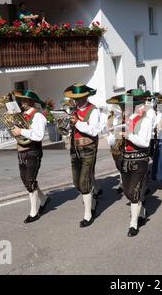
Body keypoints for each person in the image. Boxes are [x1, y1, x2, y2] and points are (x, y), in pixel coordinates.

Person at [64, 83, 101, 228]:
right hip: (74, 148)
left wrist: (77, 122)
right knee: (76, 182)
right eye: (75, 98)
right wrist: (66, 126)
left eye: (79, 98)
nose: (77, 101)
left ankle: (88, 215)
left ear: (86, 96)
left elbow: (93, 131)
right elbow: (70, 128)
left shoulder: (93, 110)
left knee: (84, 182)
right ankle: (93, 201)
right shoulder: (73, 110)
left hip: (88, 148)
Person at [11, 90, 51, 223]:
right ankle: (44, 199)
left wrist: (20, 130)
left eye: (25, 100)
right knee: (26, 180)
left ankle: (34, 213)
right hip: (21, 150)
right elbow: (19, 133)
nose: (22, 103)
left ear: (32, 102)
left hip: (33, 151)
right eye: (21, 100)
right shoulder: (22, 116)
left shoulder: (38, 116)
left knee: (29, 180)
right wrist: (13, 128)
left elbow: (38, 135)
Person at [118, 91, 153, 237]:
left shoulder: (145, 120)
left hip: (140, 159)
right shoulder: (124, 120)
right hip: (125, 158)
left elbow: (145, 143)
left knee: (134, 192)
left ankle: (133, 224)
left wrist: (129, 136)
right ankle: (141, 211)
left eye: (125, 105)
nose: (123, 108)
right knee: (127, 191)